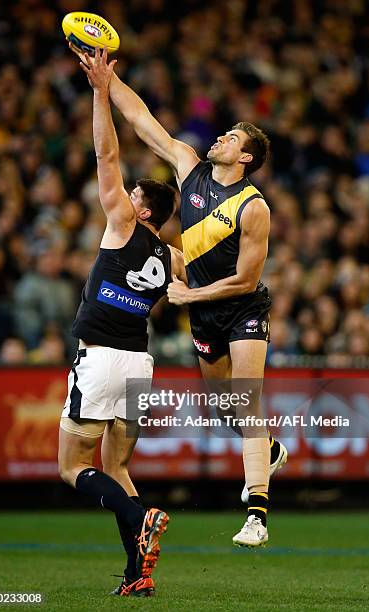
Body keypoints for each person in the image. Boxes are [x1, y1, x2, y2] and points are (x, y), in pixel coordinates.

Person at [98, 65, 289, 548]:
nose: (220, 137)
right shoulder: (190, 169)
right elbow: (142, 121)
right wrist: (105, 81)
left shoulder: (253, 207)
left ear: (244, 157)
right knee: (227, 406)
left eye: (231, 137)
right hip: (205, 315)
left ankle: (257, 517)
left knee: (246, 402)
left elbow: (246, 279)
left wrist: (189, 295)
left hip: (242, 308)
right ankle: (268, 450)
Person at [58, 48, 186, 597]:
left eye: (135, 195)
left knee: (71, 468)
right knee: (119, 470)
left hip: (102, 360)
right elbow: (193, 280)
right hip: (141, 366)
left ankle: (139, 522)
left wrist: (98, 91)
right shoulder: (174, 257)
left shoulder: (122, 224)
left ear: (144, 210)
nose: (125, 194)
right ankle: (139, 575)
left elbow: (104, 155)